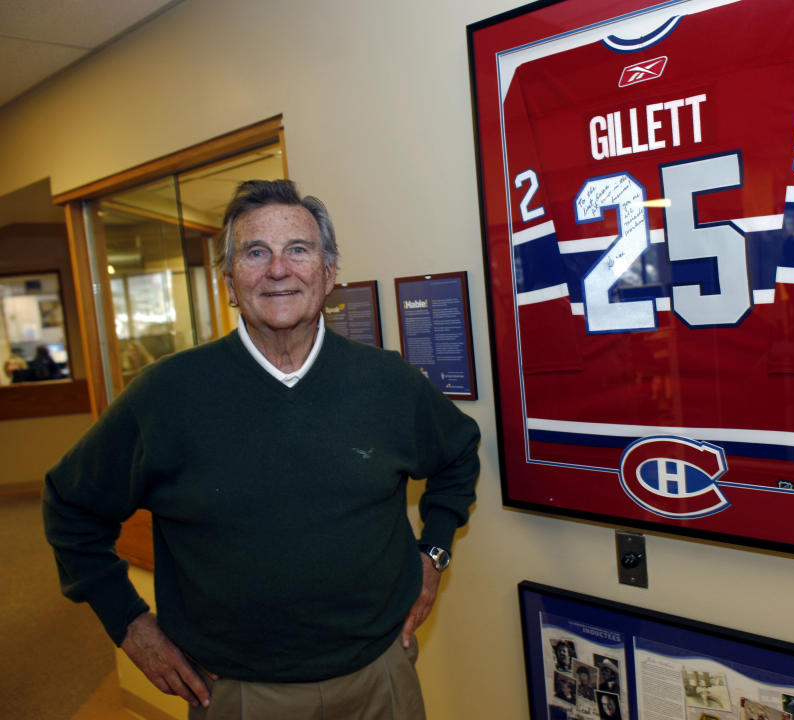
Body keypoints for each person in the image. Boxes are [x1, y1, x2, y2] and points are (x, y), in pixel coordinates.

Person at [43, 179, 481, 720]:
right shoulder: (167, 394)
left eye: (298, 249)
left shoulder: (387, 383)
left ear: (328, 272)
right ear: (229, 281)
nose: (278, 269)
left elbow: (459, 456)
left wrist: (434, 553)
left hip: (380, 678)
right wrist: (130, 625)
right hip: (239, 695)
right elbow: (69, 506)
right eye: (256, 253)